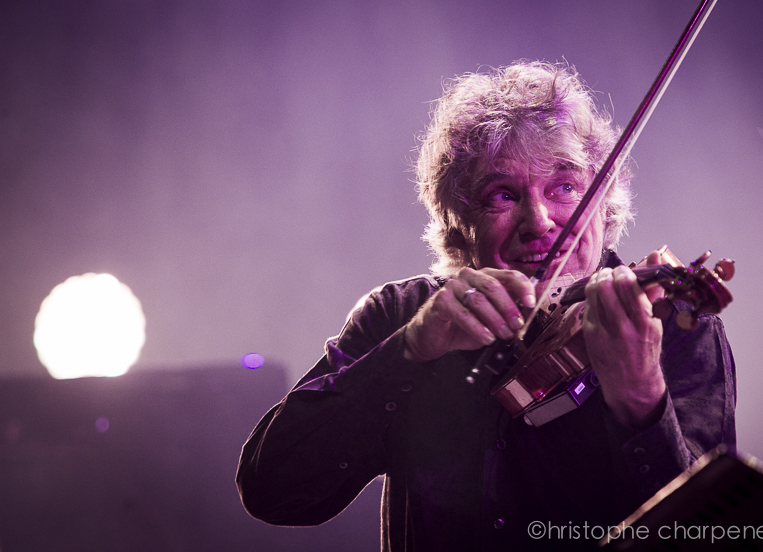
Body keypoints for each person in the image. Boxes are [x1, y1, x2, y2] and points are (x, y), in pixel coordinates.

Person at [236, 61, 736, 551]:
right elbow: (273, 493)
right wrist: (408, 352)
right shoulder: (401, 314)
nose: (539, 221)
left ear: (604, 209)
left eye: (564, 187)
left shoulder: (670, 325)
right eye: (501, 195)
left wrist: (642, 400)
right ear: (458, 224)